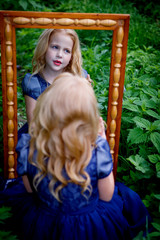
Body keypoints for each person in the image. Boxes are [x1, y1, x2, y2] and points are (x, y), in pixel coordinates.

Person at [0, 73, 152, 240]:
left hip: (44, 222)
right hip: (88, 224)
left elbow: (29, 189)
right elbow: (107, 194)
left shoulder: (30, 145)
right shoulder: (96, 149)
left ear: (45, 111)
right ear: (88, 118)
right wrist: (102, 141)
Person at [18, 28, 90, 138]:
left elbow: (85, 115)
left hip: (73, 134)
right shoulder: (34, 83)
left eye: (67, 51)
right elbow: (34, 126)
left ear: (72, 56)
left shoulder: (78, 77)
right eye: (55, 47)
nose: (60, 55)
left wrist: (86, 92)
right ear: (45, 47)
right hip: (43, 137)